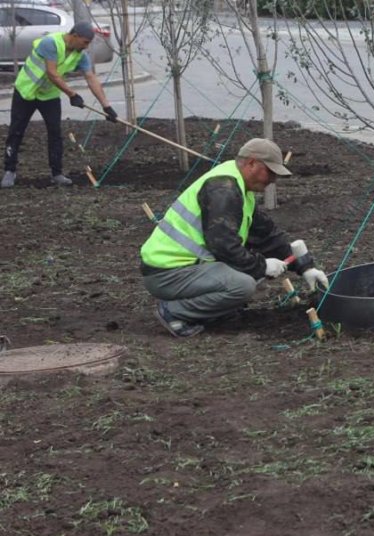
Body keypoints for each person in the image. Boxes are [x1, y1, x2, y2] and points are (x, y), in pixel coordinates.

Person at [139, 138, 329, 338]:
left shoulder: (238, 186)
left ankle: (211, 312)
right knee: (243, 285)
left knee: (254, 279)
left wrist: (306, 266)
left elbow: (267, 236)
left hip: (186, 268)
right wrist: (262, 266)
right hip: (167, 274)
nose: (272, 180)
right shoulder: (223, 189)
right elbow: (223, 245)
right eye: (270, 172)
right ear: (251, 163)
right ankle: (174, 312)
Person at [2, 22, 117, 188]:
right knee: (16, 131)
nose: (86, 46)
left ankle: (57, 174)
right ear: (75, 35)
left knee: (55, 133)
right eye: (85, 42)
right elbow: (52, 73)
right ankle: (9, 171)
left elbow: (91, 78)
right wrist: (72, 94)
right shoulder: (51, 43)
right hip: (26, 91)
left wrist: (106, 107)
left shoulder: (80, 55)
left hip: (48, 96)